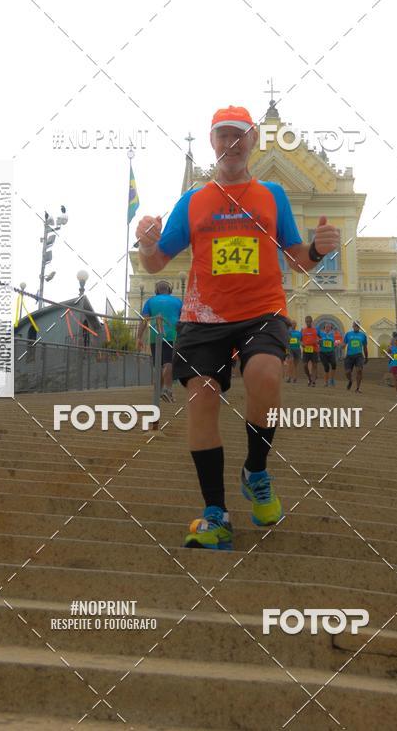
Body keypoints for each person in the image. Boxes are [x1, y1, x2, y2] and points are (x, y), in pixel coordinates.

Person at [135, 104, 340, 550]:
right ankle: (216, 514)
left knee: (266, 376)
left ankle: (256, 469)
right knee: (202, 398)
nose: (231, 143)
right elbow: (156, 262)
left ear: (252, 142)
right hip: (203, 317)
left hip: (261, 311)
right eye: (222, 135)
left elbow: (296, 258)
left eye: (239, 136)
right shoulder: (192, 200)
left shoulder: (272, 196)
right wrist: (145, 245)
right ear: (212, 142)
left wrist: (319, 251)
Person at [137, 280, 183, 402]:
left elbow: (144, 320)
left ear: (156, 291)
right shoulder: (178, 301)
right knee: (169, 363)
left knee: (159, 365)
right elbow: (184, 320)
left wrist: (139, 337)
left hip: (155, 336)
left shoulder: (150, 301)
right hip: (173, 336)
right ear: (170, 290)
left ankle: (159, 392)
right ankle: (167, 390)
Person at [343, 320, 368, 393]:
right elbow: (344, 344)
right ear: (353, 326)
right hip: (349, 356)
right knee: (347, 372)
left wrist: (366, 357)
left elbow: (365, 347)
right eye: (355, 325)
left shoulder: (363, 335)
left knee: (359, 370)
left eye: (358, 326)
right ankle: (350, 380)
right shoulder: (348, 334)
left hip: (359, 356)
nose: (356, 327)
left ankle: (357, 388)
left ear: (359, 327)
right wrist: (342, 346)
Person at [301, 315, 319, 386]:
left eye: (309, 322)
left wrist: (318, 340)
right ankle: (309, 378)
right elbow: (300, 340)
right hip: (306, 350)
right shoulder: (303, 330)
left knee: (314, 365)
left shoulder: (316, 330)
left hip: (314, 350)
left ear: (311, 322)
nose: (308, 323)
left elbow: (320, 337)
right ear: (305, 322)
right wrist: (301, 344)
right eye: (307, 322)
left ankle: (313, 381)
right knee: (305, 365)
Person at [318, 321, 337, 387]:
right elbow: (318, 341)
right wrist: (318, 342)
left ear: (331, 328)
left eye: (329, 327)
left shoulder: (332, 335)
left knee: (334, 364)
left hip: (331, 352)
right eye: (326, 327)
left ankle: (332, 379)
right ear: (324, 328)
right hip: (323, 353)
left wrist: (335, 344)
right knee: (326, 367)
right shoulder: (321, 334)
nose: (328, 328)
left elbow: (334, 343)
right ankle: (326, 382)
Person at [386, 332, 397, 396]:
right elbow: (386, 355)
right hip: (394, 364)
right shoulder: (391, 347)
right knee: (396, 377)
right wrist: (390, 355)